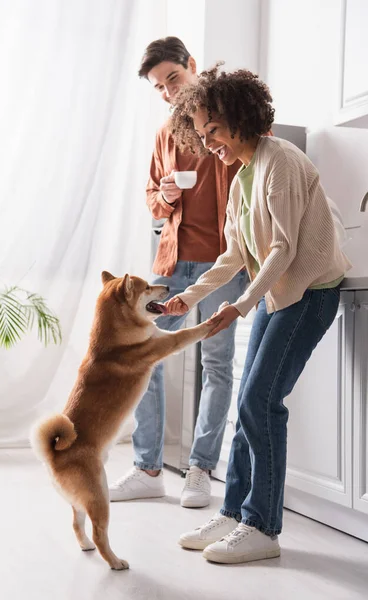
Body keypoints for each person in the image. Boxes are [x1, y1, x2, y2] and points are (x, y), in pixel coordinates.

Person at [164, 65, 352, 564]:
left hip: (310, 293)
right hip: (280, 295)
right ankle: (234, 514)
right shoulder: (243, 173)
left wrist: (240, 304)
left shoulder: (280, 161)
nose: (209, 144)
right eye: (202, 136)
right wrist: (190, 296)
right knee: (250, 402)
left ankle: (262, 528)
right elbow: (233, 254)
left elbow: (284, 249)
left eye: (214, 131)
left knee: (258, 403)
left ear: (239, 117)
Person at [109, 38, 247, 508]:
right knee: (141, 352)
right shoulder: (166, 133)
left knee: (216, 364)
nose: (168, 92)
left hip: (223, 262)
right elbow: (152, 199)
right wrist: (166, 195)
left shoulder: (227, 117)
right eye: (159, 87)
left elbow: (250, 175)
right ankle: (148, 468)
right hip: (171, 261)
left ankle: (200, 470)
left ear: (192, 65)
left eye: (172, 78)